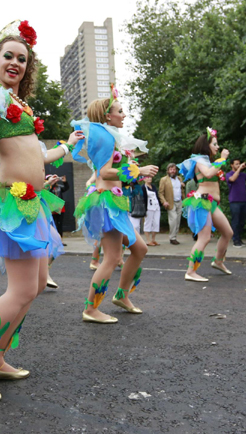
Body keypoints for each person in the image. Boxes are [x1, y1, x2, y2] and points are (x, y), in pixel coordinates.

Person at [0, 20, 82, 403]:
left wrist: (67, 145)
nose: (15, 63)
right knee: (21, 288)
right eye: (8, 56)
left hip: (34, 201)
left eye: (22, 59)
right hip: (13, 200)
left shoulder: (21, 104)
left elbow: (38, 154)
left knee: (37, 285)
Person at [72, 87, 158, 324]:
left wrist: (136, 174)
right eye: (120, 111)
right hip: (107, 203)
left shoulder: (108, 135)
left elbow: (115, 172)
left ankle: (121, 295)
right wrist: (138, 170)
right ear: (108, 115)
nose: (124, 115)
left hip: (112, 201)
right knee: (111, 257)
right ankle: (91, 309)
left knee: (140, 249)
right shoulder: (106, 136)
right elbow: (105, 172)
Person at [178, 128, 233, 282]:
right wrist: (222, 159)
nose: (217, 147)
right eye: (215, 144)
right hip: (202, 202)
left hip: (212, 203)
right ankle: (190, 271)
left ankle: (218, 261)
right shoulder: (199, 160)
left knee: (228, 233)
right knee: (204, 238)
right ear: (206, 145)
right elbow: (208, 174)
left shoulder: (208, 162)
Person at [226, 159, 246, 247]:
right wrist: (239, 169)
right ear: (232, 165)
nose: (239, 165)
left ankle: (239, 239)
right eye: (237, 164)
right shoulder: (229, 174)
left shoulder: (243, 175)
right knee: (236, 221)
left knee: (242, 222)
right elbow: (232, 179)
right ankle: (235, 240)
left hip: (244, 201)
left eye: (239, 164)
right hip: (234, 201)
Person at [158, 163, 185, 245]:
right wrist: (164, 201)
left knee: (178, 220)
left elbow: (181, 190)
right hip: (170, 202)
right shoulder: (164, 180)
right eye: (171, 169)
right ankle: (172, 237)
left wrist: (183, 186)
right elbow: (160, 193)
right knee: (173, 219)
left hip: (179, 201)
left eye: (174, 169)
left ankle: (174, 236)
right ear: (168, 170)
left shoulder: (179, 179)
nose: (173, 171)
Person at [48, 174, 69, 239]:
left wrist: (65, 182)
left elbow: (66, 188)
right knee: (52, 224)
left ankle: (60, 239)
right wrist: (50, 184)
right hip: (51, 208)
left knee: (60, 224)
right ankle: (53, 239)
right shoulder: (48, 187)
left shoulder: (59, 187)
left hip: (60, 207)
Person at [143, 176, 161, 246]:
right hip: (148, 208)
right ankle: (148, 240)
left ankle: (153, 239)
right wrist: (144, 210)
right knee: (148, 223)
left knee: (156, 223)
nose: (149, 178)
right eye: (147, 177)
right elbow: (143, 199)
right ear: (144, 179)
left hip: (156, 207)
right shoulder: (143, 187)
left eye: (150, 177)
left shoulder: (153, 186)